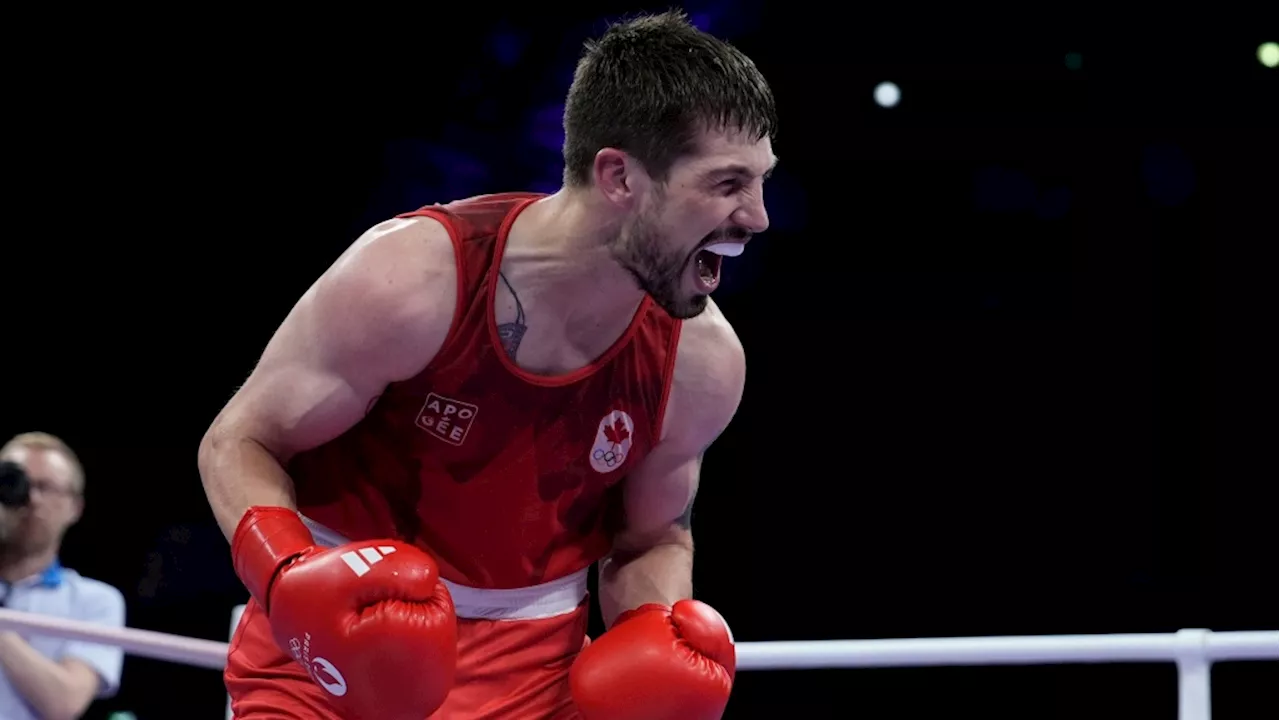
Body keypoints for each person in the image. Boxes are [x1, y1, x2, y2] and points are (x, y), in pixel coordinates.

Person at [202, 10, 775, 720]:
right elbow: (241, 440)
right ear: (620, 177)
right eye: (726, 184)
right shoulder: (415, 276)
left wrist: (651, 637)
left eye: (760, 182)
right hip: (329, 650)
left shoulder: (701, 360)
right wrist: (286, 572)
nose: (756, 217)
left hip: (530, 676)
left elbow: (652, 535)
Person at [0, 432, 126, 720]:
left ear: (74, 507)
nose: (29, 499)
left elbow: (64, 703)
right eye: (13, 483)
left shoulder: (95, 601)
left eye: (44, 487)